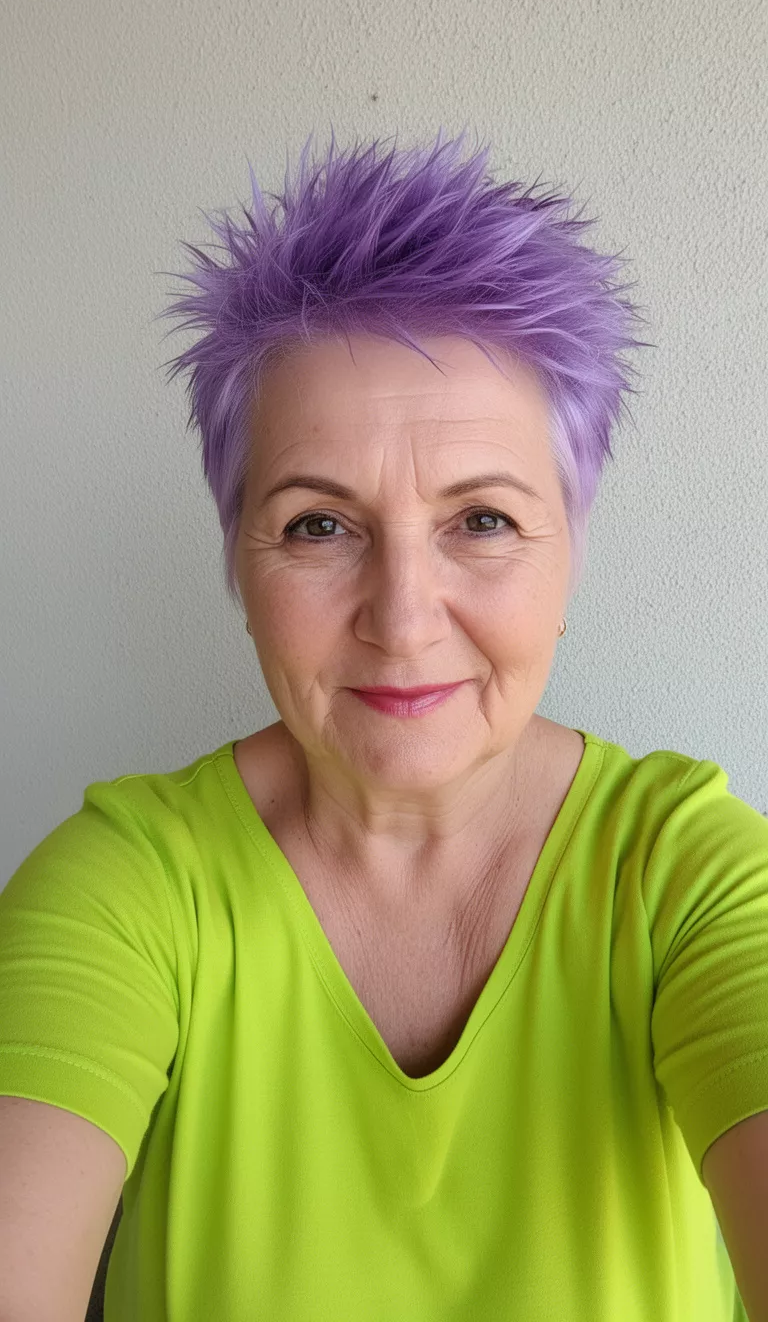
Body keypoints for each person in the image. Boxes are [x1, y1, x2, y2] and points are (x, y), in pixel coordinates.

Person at [1, 129, 767, 1322]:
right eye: (319, 525)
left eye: (484, 522)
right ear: (238, 561)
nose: (404, 621)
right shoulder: (126, 887)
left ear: (569, 555)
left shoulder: (689, 874)